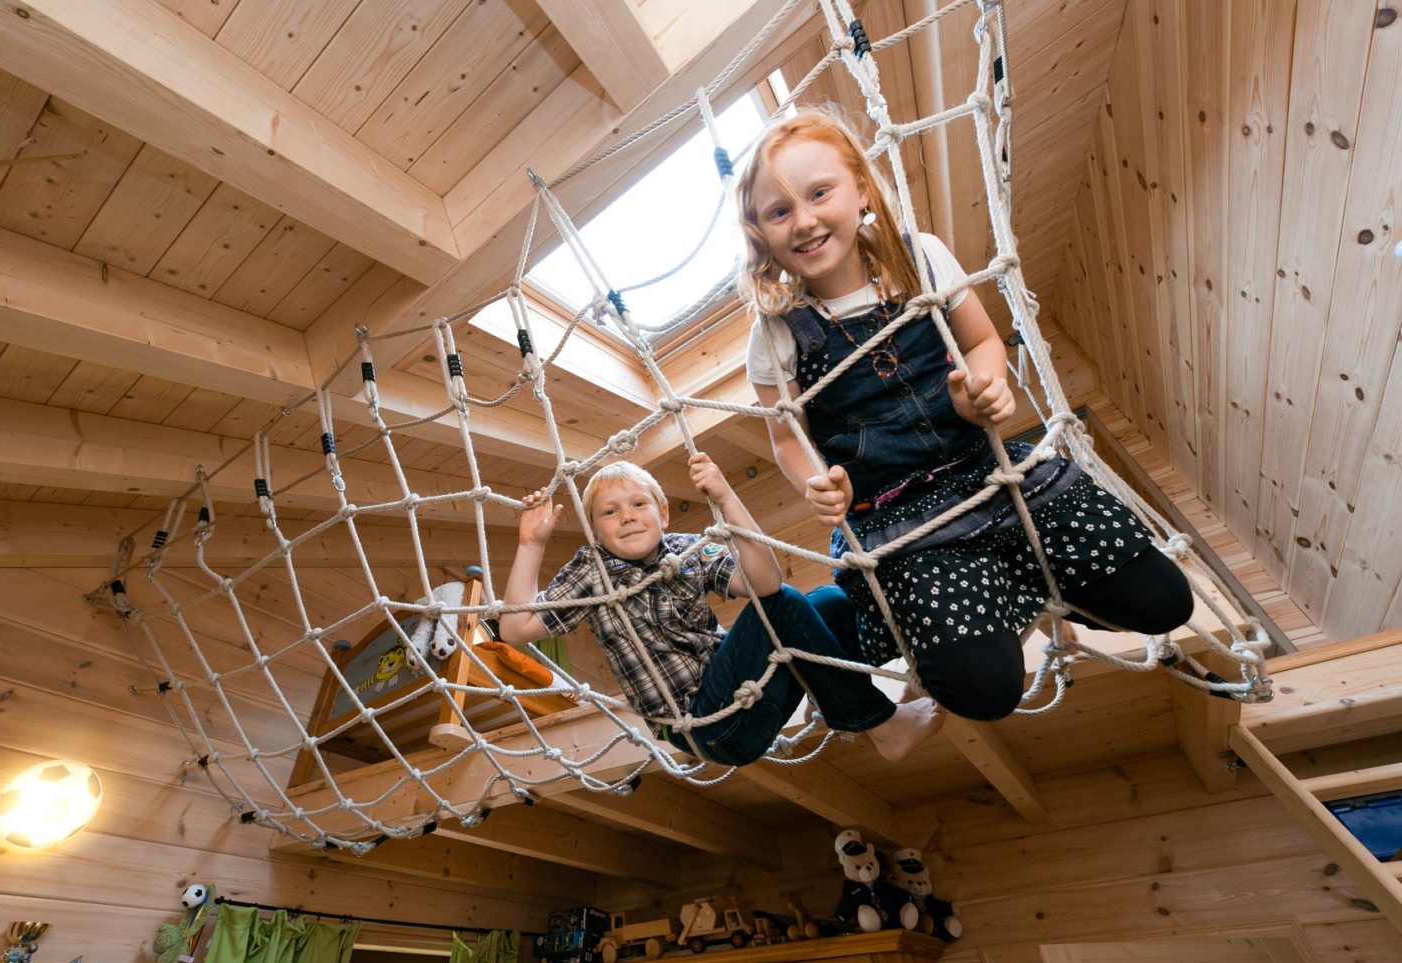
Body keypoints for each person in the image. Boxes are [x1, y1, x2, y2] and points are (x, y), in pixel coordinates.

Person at [739, 109, 1193, 721]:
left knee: (1166, 602)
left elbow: (980, 341)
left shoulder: (918, 259)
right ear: (761, 233)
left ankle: (1038, 592)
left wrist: (983, 388)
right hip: (899, 521)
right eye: (779, 211)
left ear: (862, 189)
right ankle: (992, 612)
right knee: (984, 693)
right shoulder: (775, 334)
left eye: (820, 193)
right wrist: (815, 482)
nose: (804, 220)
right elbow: (785, 437)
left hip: (989, 475)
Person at [497, 455, 944, 766]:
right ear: (595, 532)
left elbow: (765, 582)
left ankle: (832, 700)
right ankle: (879, 723)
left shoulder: (687, 550)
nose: (627, 516)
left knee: (828, 600)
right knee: (785, 605)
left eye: (638, 504)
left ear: (663, 514)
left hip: (745, 696)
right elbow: (516, 629)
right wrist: (531, 544)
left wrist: (727, 497)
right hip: (706, 726)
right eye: (609, 512)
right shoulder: (593, 571)